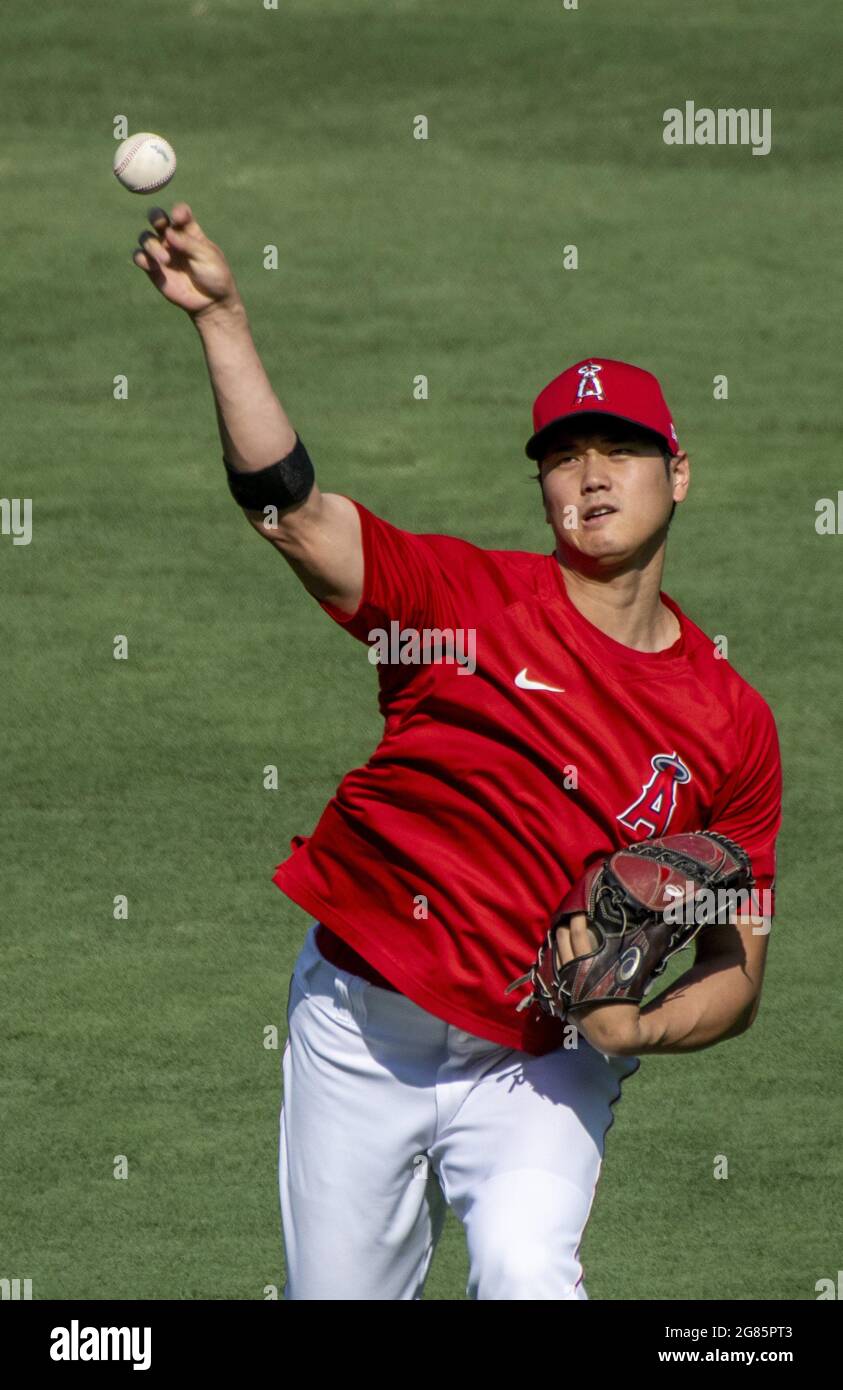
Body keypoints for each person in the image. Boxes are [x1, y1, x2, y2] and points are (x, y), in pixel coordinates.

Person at [132, 204, 782, 1301]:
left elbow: (739, 963)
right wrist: (223, 320)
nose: (591, 475)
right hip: (360, 1021)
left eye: (620, 449)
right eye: (565, 457)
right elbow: (291, 513)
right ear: (541, 488)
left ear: (679, 472)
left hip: (544, 1051)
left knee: (531, 1278)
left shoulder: (731, 720)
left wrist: (643, 1024)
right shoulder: (461, 600)